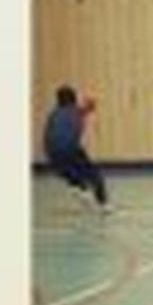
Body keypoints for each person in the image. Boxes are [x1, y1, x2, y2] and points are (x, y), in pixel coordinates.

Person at [42, 85, 111, 213]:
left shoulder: (53, 114)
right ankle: (104, 205)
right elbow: (89, 107)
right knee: (94, 175)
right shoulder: (76, 111)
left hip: (51, 152)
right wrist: (91, 102)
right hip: (70, 148)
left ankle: (80, 189)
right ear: (73, 98)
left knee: (68, 172)